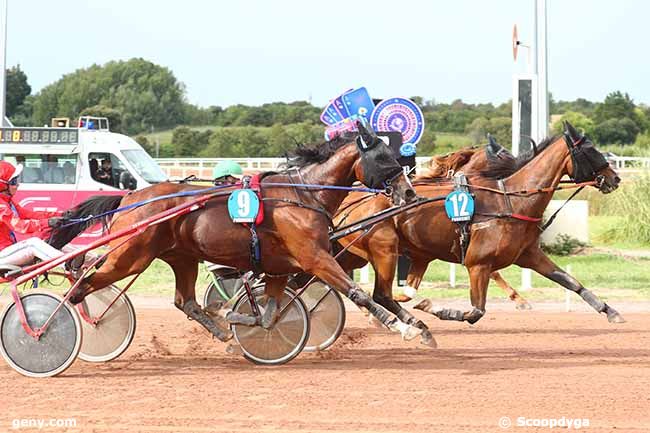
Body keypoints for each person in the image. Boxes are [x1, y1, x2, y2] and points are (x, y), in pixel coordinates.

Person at [0, 161, 66, 270]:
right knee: (33, 244)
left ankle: (94, 260)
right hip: (3, 255)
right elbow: (19, 226)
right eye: (14, 182)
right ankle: (67, 264)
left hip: (7, 252)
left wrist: (62, 214)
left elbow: (31, 215)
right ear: (3, 185)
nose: (17, 185)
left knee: (51, 239)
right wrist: (48, 223)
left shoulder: (8, 203)